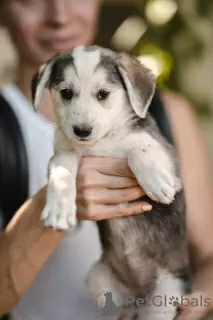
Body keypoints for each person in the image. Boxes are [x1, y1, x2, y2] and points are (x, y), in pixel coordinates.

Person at [0, 1, 213, 320]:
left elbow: (208, 255)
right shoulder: (8, 129)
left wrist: (189, 307)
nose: (59, 16)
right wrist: (53, 200)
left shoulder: (168, 115)